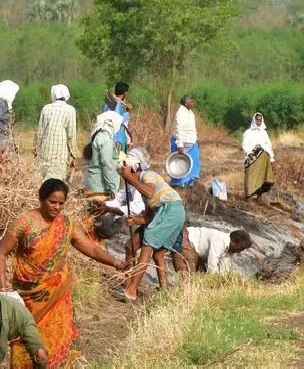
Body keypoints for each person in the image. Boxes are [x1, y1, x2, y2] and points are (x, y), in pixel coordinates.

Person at [0, 178, 125, 369]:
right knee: (23, 341)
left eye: (61, 203)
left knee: (57, 337)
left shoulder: (66, 224)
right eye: (52, 202)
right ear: (41, 199)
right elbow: (1, 253)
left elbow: (92, 249)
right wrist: (3, 290)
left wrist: (117, 263)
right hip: (27, 296)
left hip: (56, 294)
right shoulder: (24, 222)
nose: (56, 207)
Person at [114, 157, 187, 303]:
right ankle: (158, 291)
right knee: (132, 245)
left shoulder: (148, 176)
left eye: (126, 176)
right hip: (164, 213)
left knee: (147, 247)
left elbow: (149, 192)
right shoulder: (142, 187)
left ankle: (131, 292)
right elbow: (148, 218)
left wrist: (129, 177)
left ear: (133, 170)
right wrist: (135, 219)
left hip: (171, 210)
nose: (126, 181)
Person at [34, 84, 78, 182]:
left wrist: (36, 150)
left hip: (44, 151)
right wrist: (74, 155)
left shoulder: (46, 108)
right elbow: (71, 135)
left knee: (42, 181)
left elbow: (39, 132)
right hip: (60, 154)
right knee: (55, 182)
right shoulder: (70, 110)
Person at [82, 111, 125, 200]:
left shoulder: (99, 136)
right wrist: (112, 188)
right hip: (101, 188)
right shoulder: (105, 139)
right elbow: (107, 165)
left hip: (94, 184)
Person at [181, 227, 252, 275]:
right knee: (190, 274)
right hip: (187, 238)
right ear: (234, 241)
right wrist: (215, 282)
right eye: (240, 248)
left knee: (201, 273)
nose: (239, 252)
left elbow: (224, 270)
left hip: (198, 250)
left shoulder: (230, 250)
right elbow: (212, 264)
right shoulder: (220, 240)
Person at [242, 112, 275, 201]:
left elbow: (268, 145)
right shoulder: (248, 132)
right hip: (252, 158)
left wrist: (272, 158)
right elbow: (245, 145)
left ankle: (259, 196)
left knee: (262, 177)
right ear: (254, 120)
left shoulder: (264, 133)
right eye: (257, 119)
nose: (258, 122)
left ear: (262, 121)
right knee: (250, 176)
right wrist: (249, 154)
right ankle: (248, 196)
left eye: (260, 120)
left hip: (264, 159)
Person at [169, 95, 200, 188]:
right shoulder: (181, 113)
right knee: (182, 165)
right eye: (191, 102)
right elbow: (179, 130)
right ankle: (180, 186)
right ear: (186, 103)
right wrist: (180, 144)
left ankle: (190, 185)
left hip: (191, 141)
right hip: (183, 142)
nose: (193, 104)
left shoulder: (190, 112)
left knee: (193, 165)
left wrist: (196, 139)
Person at [102, 82, 136, 152]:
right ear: (125, 93)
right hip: (116, 139)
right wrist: (127, 112)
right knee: (117, 161)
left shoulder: (108, 102)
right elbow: (118, 121)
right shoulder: (117, 104)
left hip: (106, 137)